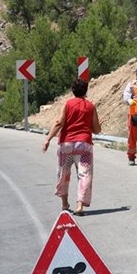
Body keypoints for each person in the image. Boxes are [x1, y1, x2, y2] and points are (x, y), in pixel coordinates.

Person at [42, 79, 102, 216]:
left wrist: (48, 139)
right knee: (85, 174)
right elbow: (97, 130)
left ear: (73, 90)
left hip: (66, 145)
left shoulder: (68, 104)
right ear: (86, 91)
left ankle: (64, 203)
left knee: (63, 174)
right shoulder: (91, 107)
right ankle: (80, 204)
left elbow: (59, 123)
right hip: (84, 145)